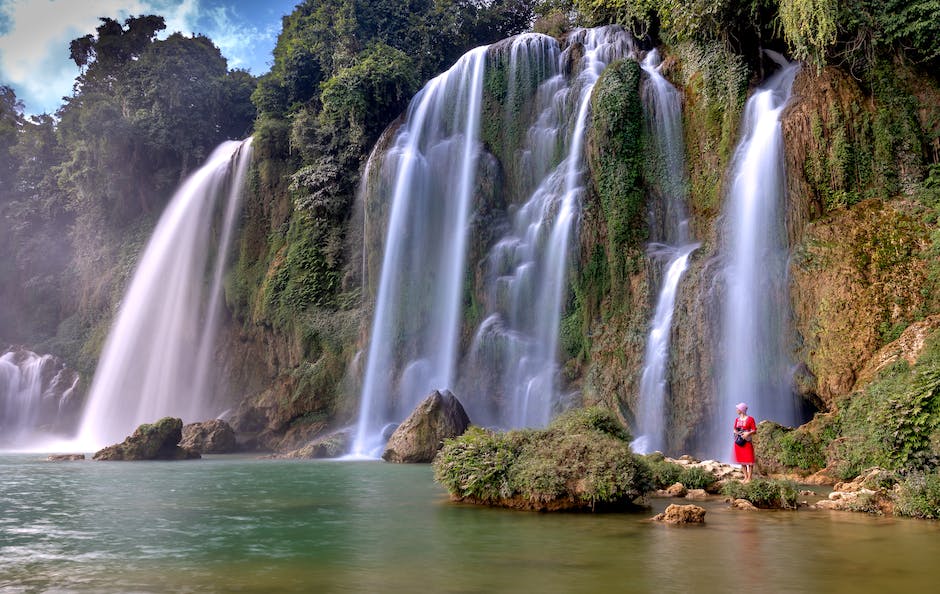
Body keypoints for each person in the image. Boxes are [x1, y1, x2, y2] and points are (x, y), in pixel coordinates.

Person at [733, 402, 757, 482]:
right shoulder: (737, 419)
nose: (736, 410)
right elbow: (734, 429)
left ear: (741, 410)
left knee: (749, 460)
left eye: (738, 409)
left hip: (747, 442)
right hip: (739, 442)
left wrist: (748, 433)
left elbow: (754, 430)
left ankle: (750, 478)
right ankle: (745, 477)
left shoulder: (750, 419)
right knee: (741, 460)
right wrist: (736, 432)